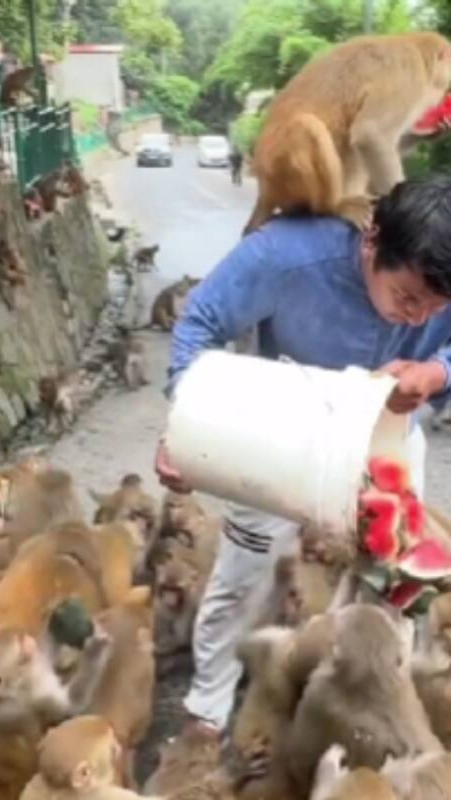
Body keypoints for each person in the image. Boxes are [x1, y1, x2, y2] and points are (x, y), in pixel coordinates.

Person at [154, 176, 451, 739]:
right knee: (247, 573)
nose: (416, 320)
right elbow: (200, 323)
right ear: (372, 241)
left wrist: (437, 371)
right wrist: (185, 421)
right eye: (408, 297)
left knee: (392, 584)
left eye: (435, 309)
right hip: (275, 438)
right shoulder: (285, 255)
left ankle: (377, 711)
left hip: (386, 441)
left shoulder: (438, 293)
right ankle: (207, 708)